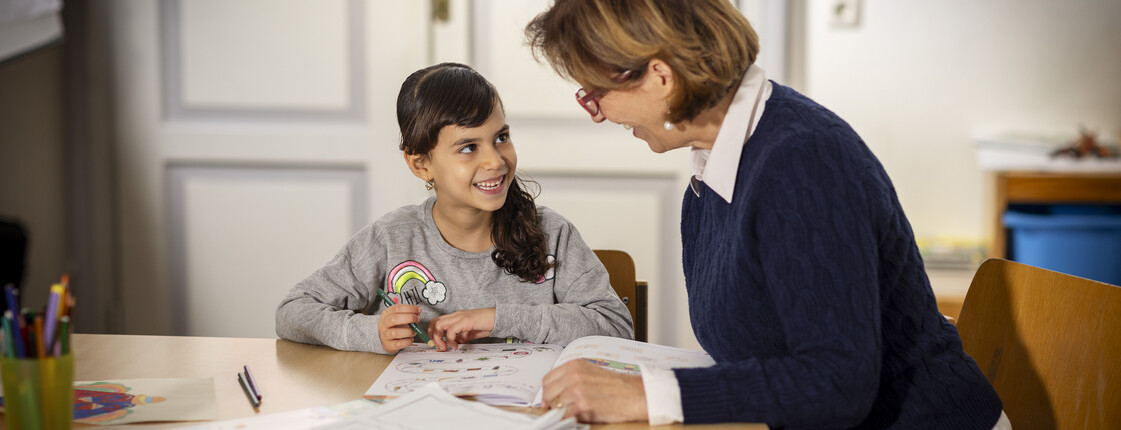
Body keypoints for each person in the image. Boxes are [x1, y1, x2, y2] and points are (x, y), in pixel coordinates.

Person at [525, 0, 1007, 428]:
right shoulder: (715, 165)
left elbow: (838, 382)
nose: (601, 114)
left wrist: (648, 394)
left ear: (659, 78)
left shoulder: (802, 162)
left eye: (595, 94)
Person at [275, 62, 634, 355]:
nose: (495, 160)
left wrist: (497, 319)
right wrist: (370, 331)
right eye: (468, 147)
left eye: (501, 137)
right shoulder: (390, 239)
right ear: (421, 165)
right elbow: (293, 311)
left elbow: (615, 326)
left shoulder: (553, 234)